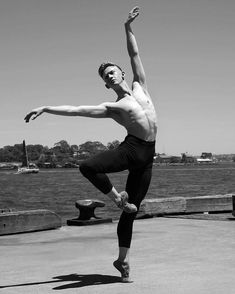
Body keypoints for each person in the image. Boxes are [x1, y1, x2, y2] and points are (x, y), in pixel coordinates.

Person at [24, 6, 157, 283]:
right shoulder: (112, 106)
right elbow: (76, 109)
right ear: (106, 85)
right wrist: (46, 107)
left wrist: (127, 26)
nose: (109, 76)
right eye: (105, 76)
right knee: (88, 166)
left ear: (121, 73)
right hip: (132, 149)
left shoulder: (141, 85)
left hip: (148, 156)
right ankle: (115, 197)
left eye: (112, 71)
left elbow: (135, 54)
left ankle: (122, 260)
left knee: (131, 213)